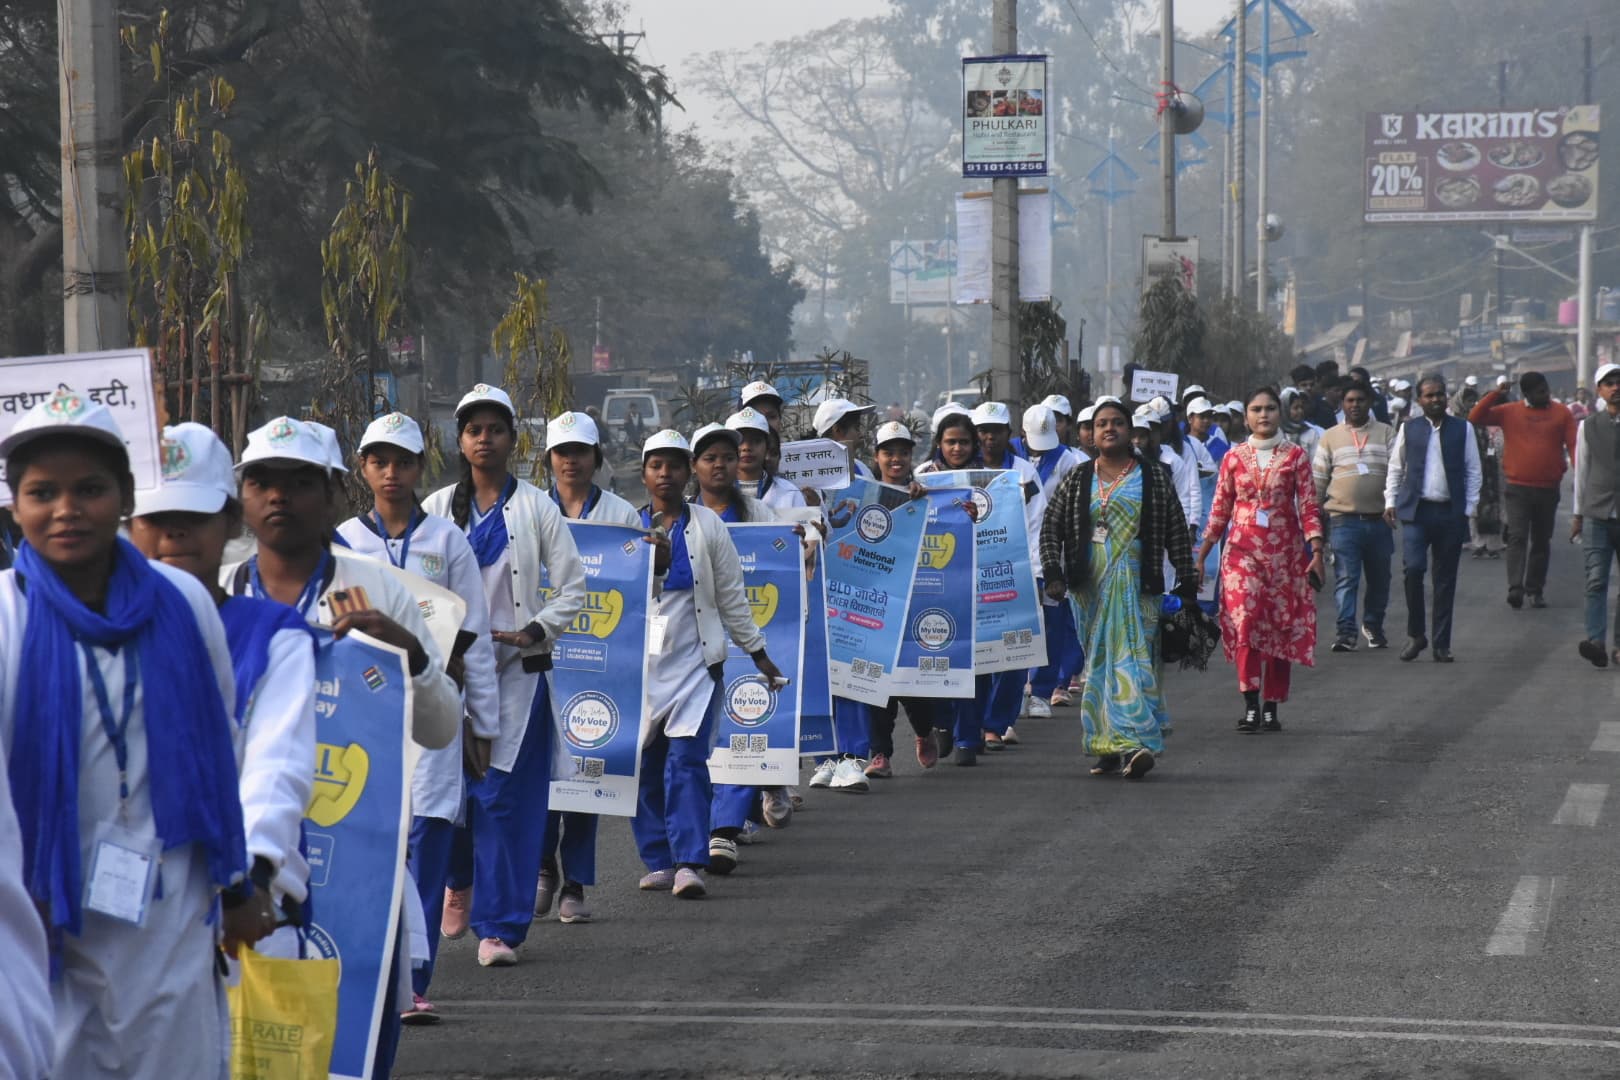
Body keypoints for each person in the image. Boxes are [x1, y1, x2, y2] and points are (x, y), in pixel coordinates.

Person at [0, 390, 244, 1080]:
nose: (66, 510)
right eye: (42, 491)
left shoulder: (183, 600)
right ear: (14, 504)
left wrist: (238, 879)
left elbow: (219, 742)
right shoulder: (5, 619)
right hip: (44, 907)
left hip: (167, 898)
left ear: (127, 496)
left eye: (90, 489)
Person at [224, 416, 460, 1077]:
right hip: (237, 868)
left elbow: (440, 730)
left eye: (300, 483)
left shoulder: (378, 590)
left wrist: (409, 654)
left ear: (333, 495)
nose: (279, 498)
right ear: (243, 495)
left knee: (350, 1044)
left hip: (357, 863)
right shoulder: (217, 594)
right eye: (263, 482)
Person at [129, 423, 318, 968]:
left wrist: (248, 875)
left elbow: (277, 763)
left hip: (241, 909)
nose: (174, 535)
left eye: (193, 518)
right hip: (117, 910)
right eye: (157, 519)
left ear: (231, 521)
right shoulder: (86, 631)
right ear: (128, 522)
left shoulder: (274, 634)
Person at [334, 412, 497, 1021]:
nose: (392, 472)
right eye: (380, 461)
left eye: (403, 461)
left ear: (418, 468)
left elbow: (472, 636)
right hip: (363, 715)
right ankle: (365, 968)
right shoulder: (344, 543)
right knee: (372, 838)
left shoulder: (447, 541)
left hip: (432, 708)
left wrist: (480, 722)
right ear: (363, 469)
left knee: (429, 834)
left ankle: (415, 979)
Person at [421, 384, 586, 968]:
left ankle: (500, 926)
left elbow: (573, 587)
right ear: (459, 441)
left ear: (513, 440)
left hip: (517, 677)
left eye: (495, 429)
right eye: (473, 429)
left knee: (505, 802)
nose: (483, 439)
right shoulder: (437, 509)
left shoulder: (537, 507)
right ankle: (457, 880)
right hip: (448, 674)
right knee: (449, 795)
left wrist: (534, 631)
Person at [634, 429, 785, 898]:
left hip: (697, 670)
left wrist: (758, 653)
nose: (666, 474)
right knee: (644, 765)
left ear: (688, 473)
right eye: (657, 465)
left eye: (675, 465)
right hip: (639, 672)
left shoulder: (707, 526)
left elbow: (731, 598)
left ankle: (688, 861)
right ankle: (658, 858)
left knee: (687, 762)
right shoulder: (628, 526)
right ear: (643, 473)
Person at [1040, 399, 1198, 778]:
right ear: (1091, 435)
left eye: (1117, 423)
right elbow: (1051, 526)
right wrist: (1053, 572)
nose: (1109, 429)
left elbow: (1176, 526)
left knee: (1132, 661)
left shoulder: (1154, 476)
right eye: (1101, 424)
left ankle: (1135, 743)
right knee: (1098, 664)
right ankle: (1105, 746)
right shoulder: (1078, 478)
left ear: (1131, 431)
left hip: (1139, 584)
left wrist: (1187, 577)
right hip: (1088, 589)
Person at [532, 411, 643, 920]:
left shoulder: (622, 516)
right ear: (549, 459)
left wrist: (654, 561)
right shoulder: (528, 511)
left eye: (580, 451)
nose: (570, 460)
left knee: (586, 773)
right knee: (535, 772)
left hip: (601, 665)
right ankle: (540, 866)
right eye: (561, 451)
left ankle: (574, 882)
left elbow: (644, 594)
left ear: (597, 457)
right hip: (540, 661)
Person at [1197, 387, 1325, 733]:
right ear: (1246, 416)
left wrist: (1316, 550)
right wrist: (1203, 553)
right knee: (1246, 623)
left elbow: (1308, 506)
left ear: (1278, 412)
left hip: (1285, 556)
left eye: (1270, 408)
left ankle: (1272, 705)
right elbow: (1220, 508)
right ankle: (1250, 701)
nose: (1263, 414)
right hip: (1241, 555)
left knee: (1280, 628)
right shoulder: (1234, 457)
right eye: (1256, 409)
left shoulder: (1296, 456)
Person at [867, 419, 952, 771]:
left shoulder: (925, 493)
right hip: (875, 598)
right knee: (875, 678)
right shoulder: (864, 494)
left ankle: (922, 730)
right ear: (877, 456)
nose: (896, 458)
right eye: (888, 452)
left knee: (910, 680)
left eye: (903, 452)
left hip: (918, 599)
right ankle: (880, 753)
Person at [1384, 375, 1482, 663]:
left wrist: (1469, 508)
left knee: (1445, 579)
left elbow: (1473, 470)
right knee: (1413, 570)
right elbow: (1395, 468)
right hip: (1416, 512)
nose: (1435, 399)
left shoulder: (1463, 429)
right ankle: (1417, 635)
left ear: (1446, 395)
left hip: (1450, 513)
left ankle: (1441, 644)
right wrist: (1390, 501)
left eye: (1440, 394)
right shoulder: (1409, 428)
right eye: (1429, 396)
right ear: (1419, 400)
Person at [915, 408, 992, 765]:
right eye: (950, 442)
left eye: (963, 441)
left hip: (974, 580)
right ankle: (942, 723)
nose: (957, 448)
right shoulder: (921, 479)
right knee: (934, 655)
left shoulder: (988, 480)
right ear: (938, 444)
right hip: (931, 581)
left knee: (973, 662)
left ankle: (967, 737)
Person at [969, 401, 1047, 747]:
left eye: (996, 431)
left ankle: (997, 721)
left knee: (1014, 656)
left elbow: (1036, 521)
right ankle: (974, 722)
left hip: (1014, 572)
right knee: (978, 655)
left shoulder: (1024, 472)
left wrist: (1033, 570)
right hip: (969, 575)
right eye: (983, 431)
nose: (989, 437)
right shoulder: (960, 471)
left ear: (1008, 434)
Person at [1468, 370, 1577, 609]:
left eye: (1546, 390)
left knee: (1541, 540)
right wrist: (1497, 393)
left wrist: (1577, 475)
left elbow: (1573, 445)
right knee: (1517, 537)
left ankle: (1535, 589)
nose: (1546, 395)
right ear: (1526, 393)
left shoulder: (1561, 413)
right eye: (1540, 392)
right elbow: (1475, 416)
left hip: (1548, 488)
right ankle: (1515, 588)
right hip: (1518, 487)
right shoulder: (1509, 411)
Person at [1312, 383, 1396, 651]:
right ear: (1343, 403)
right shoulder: (1330, 437)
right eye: (1350, 400)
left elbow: (1397, 472)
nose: (1355, 405)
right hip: (1343, 520)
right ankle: (1346, 633)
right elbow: (1318, 481)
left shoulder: (1386, 433)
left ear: (1370, 402)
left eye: (1360, 400)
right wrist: (1314, 520)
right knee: (1347, 578)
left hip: (1379, 520)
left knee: (1380, 579)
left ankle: (1373, 626)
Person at [1020, 403, 1085, 715]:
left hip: (1053, 550)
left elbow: (1074, 507)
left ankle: (1047, 687)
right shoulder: (1015, 462)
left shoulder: (1067, 459)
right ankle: (1021, 686)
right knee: (1018, 621)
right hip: (1014, 549)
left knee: (1053, 620)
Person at [1572, 363, 1620, 667]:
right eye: (1609, 383)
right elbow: (1582, 472)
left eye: (1619, 382)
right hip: (1596, 513)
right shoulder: (1588, 426)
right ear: (1600, 390)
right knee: (1595, 580)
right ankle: (1596, 641)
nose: (1616, 387)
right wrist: (1578, 514)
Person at [728, 406, 808, 513]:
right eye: (740, 441)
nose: (746, 447)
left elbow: (805, 527)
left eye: (756, 441)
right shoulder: (717, 491)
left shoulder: (789, 492)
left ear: (767, 447)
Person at [813, 397, 877, 480]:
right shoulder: (813, 472)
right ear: (837, 430)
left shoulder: (862, 469)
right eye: (856, 428)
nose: (860, 434)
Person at [1279, 386, 1324, 464]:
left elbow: (1316, 463)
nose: (1300, 411)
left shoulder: (1310, 433)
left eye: (1301, 407)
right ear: (1284, 410)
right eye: (1295, 408)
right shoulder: (1277, 434)